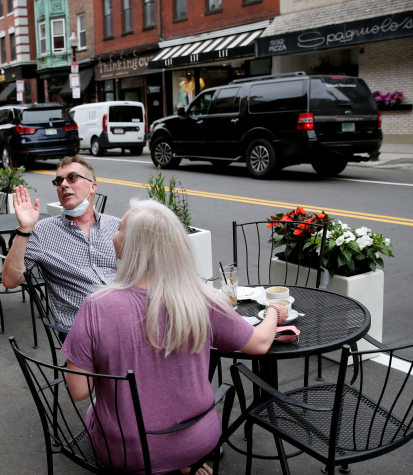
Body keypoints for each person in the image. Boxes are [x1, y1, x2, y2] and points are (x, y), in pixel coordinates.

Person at [61, 199, 289, 475]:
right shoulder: (203, 299)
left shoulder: (98, 306)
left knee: (99, 408)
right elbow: (260, 343)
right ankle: (181, 463)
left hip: (125, 452)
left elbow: (78, 390)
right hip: (198, 440)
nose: (113, 235)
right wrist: (274, 312)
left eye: (119, 229)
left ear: (133, 246)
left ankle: (158, 463)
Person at [2, 155, 119, 331]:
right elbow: (10, 280)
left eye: (72, 178)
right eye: (58, 181)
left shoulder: (117, 226)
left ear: (93, 187)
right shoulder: (44, 231)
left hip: (126, 316)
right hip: (83, 330)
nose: (63, 184)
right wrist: (24, 229)